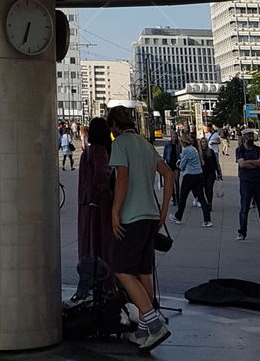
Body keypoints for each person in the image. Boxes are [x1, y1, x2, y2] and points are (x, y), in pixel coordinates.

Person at [107, 104, 174, 351]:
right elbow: (168, 174)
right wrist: (164, 209)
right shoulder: (146, 145)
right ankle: (144, 329)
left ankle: (153, 323)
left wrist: (115, 212)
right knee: (142, 270)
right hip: (150, 217)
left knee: (122, 269)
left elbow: (122, 177)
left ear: (114, 126)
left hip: (131, 217)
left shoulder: (119, 144)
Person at [77, 117, 113, 274]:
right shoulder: (100, 151)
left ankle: (89, 277)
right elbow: (101, 176)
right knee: (101, 242)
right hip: (99, 203)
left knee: (88, 241)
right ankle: (104, 282)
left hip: (86, 201)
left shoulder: (87, 152)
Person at [236, 130, 260, 242]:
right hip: (246, 182)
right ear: (244, 137)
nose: (251, 138)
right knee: (244, 208)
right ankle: (242, 233)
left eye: (252, 135)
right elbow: (242, 164)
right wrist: (255, 163)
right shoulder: (240, 150)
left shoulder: (258, 149)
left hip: (258, 182)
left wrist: (249, 163)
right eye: (249, 136)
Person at [169, 135, 212, 226]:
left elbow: (182, 165)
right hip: (199, 175)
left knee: (183, 197)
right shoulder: (194, 149)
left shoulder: (186, 150)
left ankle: (178, 216)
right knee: (201, 197)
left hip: (189, 176)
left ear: (183, 142)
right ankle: (207, 220)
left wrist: (179, 163)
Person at [199, 135, 221, 213]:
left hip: (211, 173)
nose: (204, 144)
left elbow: (215, 163)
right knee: (205, 189)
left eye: (205, 142)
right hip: (202, 173)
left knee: (209, 188)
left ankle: (209, 203)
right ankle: (207, 202)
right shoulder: (199, 153)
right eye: (202, 142)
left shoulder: (211, 151)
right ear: (200, 144)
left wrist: (218, 173)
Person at [162, 131, 180, 206]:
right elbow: (165, 154)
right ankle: (174, 198)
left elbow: (181, 153)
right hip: (169, 163)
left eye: (175, 137)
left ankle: (178, 197)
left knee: (176, 181)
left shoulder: (179, 145)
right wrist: (164, 162)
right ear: (171, 137)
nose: (174, 138)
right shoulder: (167, 144)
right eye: (173, 136)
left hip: (177, 164)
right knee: (171, 182)